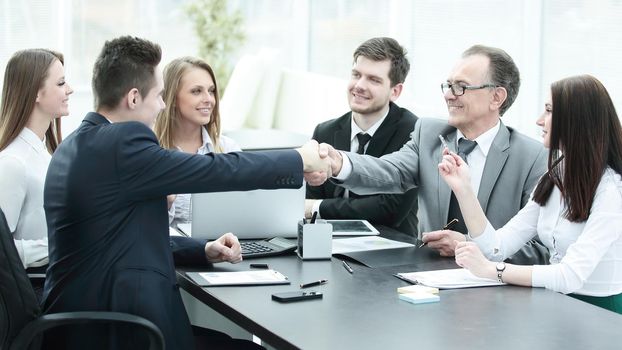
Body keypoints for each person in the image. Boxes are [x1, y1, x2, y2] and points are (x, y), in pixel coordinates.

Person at [41, 36, 328, 350]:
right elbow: (214, 169)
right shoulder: (123, 143)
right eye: (160, 95)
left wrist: (202, 249)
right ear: (134, 98)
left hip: (86, 325)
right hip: (120, 332)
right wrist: (298, 159)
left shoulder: (73, 146)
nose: (162, 106)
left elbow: (119, 239)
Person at [309, 45, 549, 265]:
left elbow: (542, 250)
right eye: (448, 85)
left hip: (495, 291)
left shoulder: (532, 158)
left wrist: (469, 246)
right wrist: (340, 162)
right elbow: (389, 171)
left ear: (496, 97)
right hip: (424, 279)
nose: (448, 95)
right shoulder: (429, 133)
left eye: (460, 87)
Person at [441, 75, 622, 314]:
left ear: (576, 120)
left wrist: (490, 270)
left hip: (600, 314)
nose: (539, 121)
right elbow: (496, 248)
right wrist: (463, 189)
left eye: (548, 111)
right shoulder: (556, 175)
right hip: (556, 305)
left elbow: (569, 276)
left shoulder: (611, 190)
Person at [305, 37, 419, 235]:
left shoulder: (413, 132)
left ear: (395, 91)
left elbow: (389, 209)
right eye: (356, 75)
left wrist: (318, 208)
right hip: (328, 242)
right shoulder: (325, 131)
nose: (359, 85)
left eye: (373, 79)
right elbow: (308, 199)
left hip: (392, 249)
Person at [0, 49, 72, 290]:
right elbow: (2, 254)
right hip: (35, 295)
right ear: (36, 93)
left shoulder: (45, 155)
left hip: (54, 284)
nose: (69, 90)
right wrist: (62, 243)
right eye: (61, 83)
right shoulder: (12, 163)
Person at [154, 56, 241, 226]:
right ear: (172, 99)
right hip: (169, 250)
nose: (209, 99)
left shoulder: (228, 149)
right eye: (196, 91)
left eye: (211, 90)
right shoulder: (151, 152)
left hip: (220, 248)